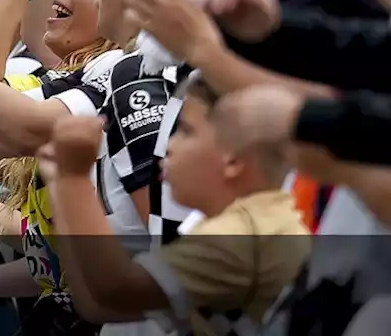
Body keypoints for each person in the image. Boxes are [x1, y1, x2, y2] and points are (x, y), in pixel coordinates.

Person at [46, 72, 310, 336]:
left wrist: (74, 179)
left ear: (234, 160)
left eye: (186, 132)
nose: (169, 146)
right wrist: (62, 186)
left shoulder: (241, 235)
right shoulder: (237, 220)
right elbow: (98, 305)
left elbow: (117, 290)